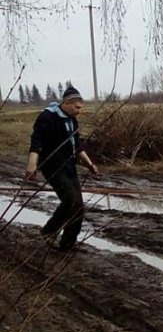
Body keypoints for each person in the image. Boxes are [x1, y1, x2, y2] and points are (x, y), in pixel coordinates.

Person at [25, 84, 99, 251]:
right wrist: (32, 165)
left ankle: (67, 244)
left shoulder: (72, 120)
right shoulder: (48, 117)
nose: (79, 110)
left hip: (69, 167)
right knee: (70, 200)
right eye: (77, 107)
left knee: (78, 206)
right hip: (52, 167)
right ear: (67, 103)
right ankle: (48, 231)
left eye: (81, 108)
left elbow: (77, 145)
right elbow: (36, 142)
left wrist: (90, 165)